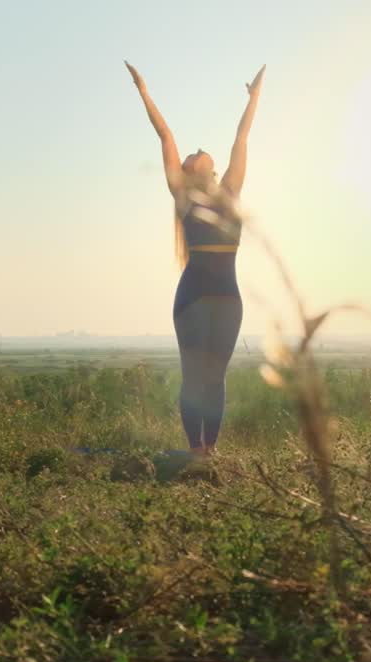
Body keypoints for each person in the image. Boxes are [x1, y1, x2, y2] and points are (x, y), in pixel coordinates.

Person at [125, 60, 265, 456]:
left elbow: (242, 137)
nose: (197, 150)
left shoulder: (231, 192)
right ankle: (193, 449)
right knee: (193, 379)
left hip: (227, 297)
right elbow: (165, 135)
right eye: (190, 154)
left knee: (216, 378)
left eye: (201, 152)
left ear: (214, 169)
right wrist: (144, 92)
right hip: (193, 296)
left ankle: (209, 450)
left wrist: (254, 97)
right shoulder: (184, 197)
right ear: (189, 171)